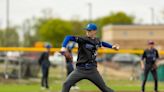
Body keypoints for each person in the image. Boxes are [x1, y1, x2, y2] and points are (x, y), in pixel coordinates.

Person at [60, 23, 119, 92]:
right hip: (80, 70)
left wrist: (112, 47)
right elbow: (68, 37)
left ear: (94, 31)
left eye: (89, 30)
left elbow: (102, 43)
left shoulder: (97, 41)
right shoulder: (83, 39)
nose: (87, 32)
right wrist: (63, 47)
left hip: (92, 70)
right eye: (87, 30)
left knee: (104, 88)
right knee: (66, 84)